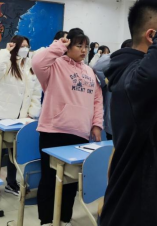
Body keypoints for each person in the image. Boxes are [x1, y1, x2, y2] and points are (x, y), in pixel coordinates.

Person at [100, 0, 157, 226]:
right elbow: (156, 74)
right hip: (137, 211)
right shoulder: (132, 80)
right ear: (152, 36)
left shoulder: (140, 78)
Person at [32, 28, 103, 226]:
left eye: (86, 46)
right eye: (79, 46)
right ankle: (47, 220)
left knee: (71, 183)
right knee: (50, 178)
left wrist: (96, 124)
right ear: (68, 46)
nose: (84, 50)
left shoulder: (89, 71)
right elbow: (37, 62)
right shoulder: (54, 66)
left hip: (80, 132)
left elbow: (97, 100)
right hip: (54, 130)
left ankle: (64, 218)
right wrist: (59, 45)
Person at [0, 35, 42, 197]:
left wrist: (32, 114)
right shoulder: (6, 62)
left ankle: (11, 182)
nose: (25, 48)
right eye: (21, 46)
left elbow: (35, 93)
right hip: (3, 116)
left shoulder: (30, 65)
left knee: (15, 152)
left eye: (27, 46)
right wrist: (6, 52)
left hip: (22, 118)